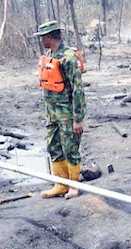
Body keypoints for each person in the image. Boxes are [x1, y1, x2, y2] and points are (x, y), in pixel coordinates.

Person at [33, 21, 87, 199]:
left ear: (49, 37)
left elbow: (78, 89)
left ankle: (74, 184)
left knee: (70, 148)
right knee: (54, 147)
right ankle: (61, 183)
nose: (41, 41)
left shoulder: (69, 57)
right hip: (52, 113)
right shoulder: (50, 55)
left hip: (67, 114)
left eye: (43, 37)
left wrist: (78, 119)